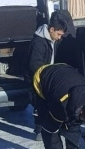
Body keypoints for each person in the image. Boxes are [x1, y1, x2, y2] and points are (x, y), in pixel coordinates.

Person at [26, 10, 70, 138]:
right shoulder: (39, 43)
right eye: (58, 34)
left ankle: (52, 127)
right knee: (41, 105)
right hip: (37, 79)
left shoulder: (52, 40)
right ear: (51, 29)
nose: (59, 37)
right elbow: (34, 64)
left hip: (47, 77)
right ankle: (40, 130)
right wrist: (48, 75)